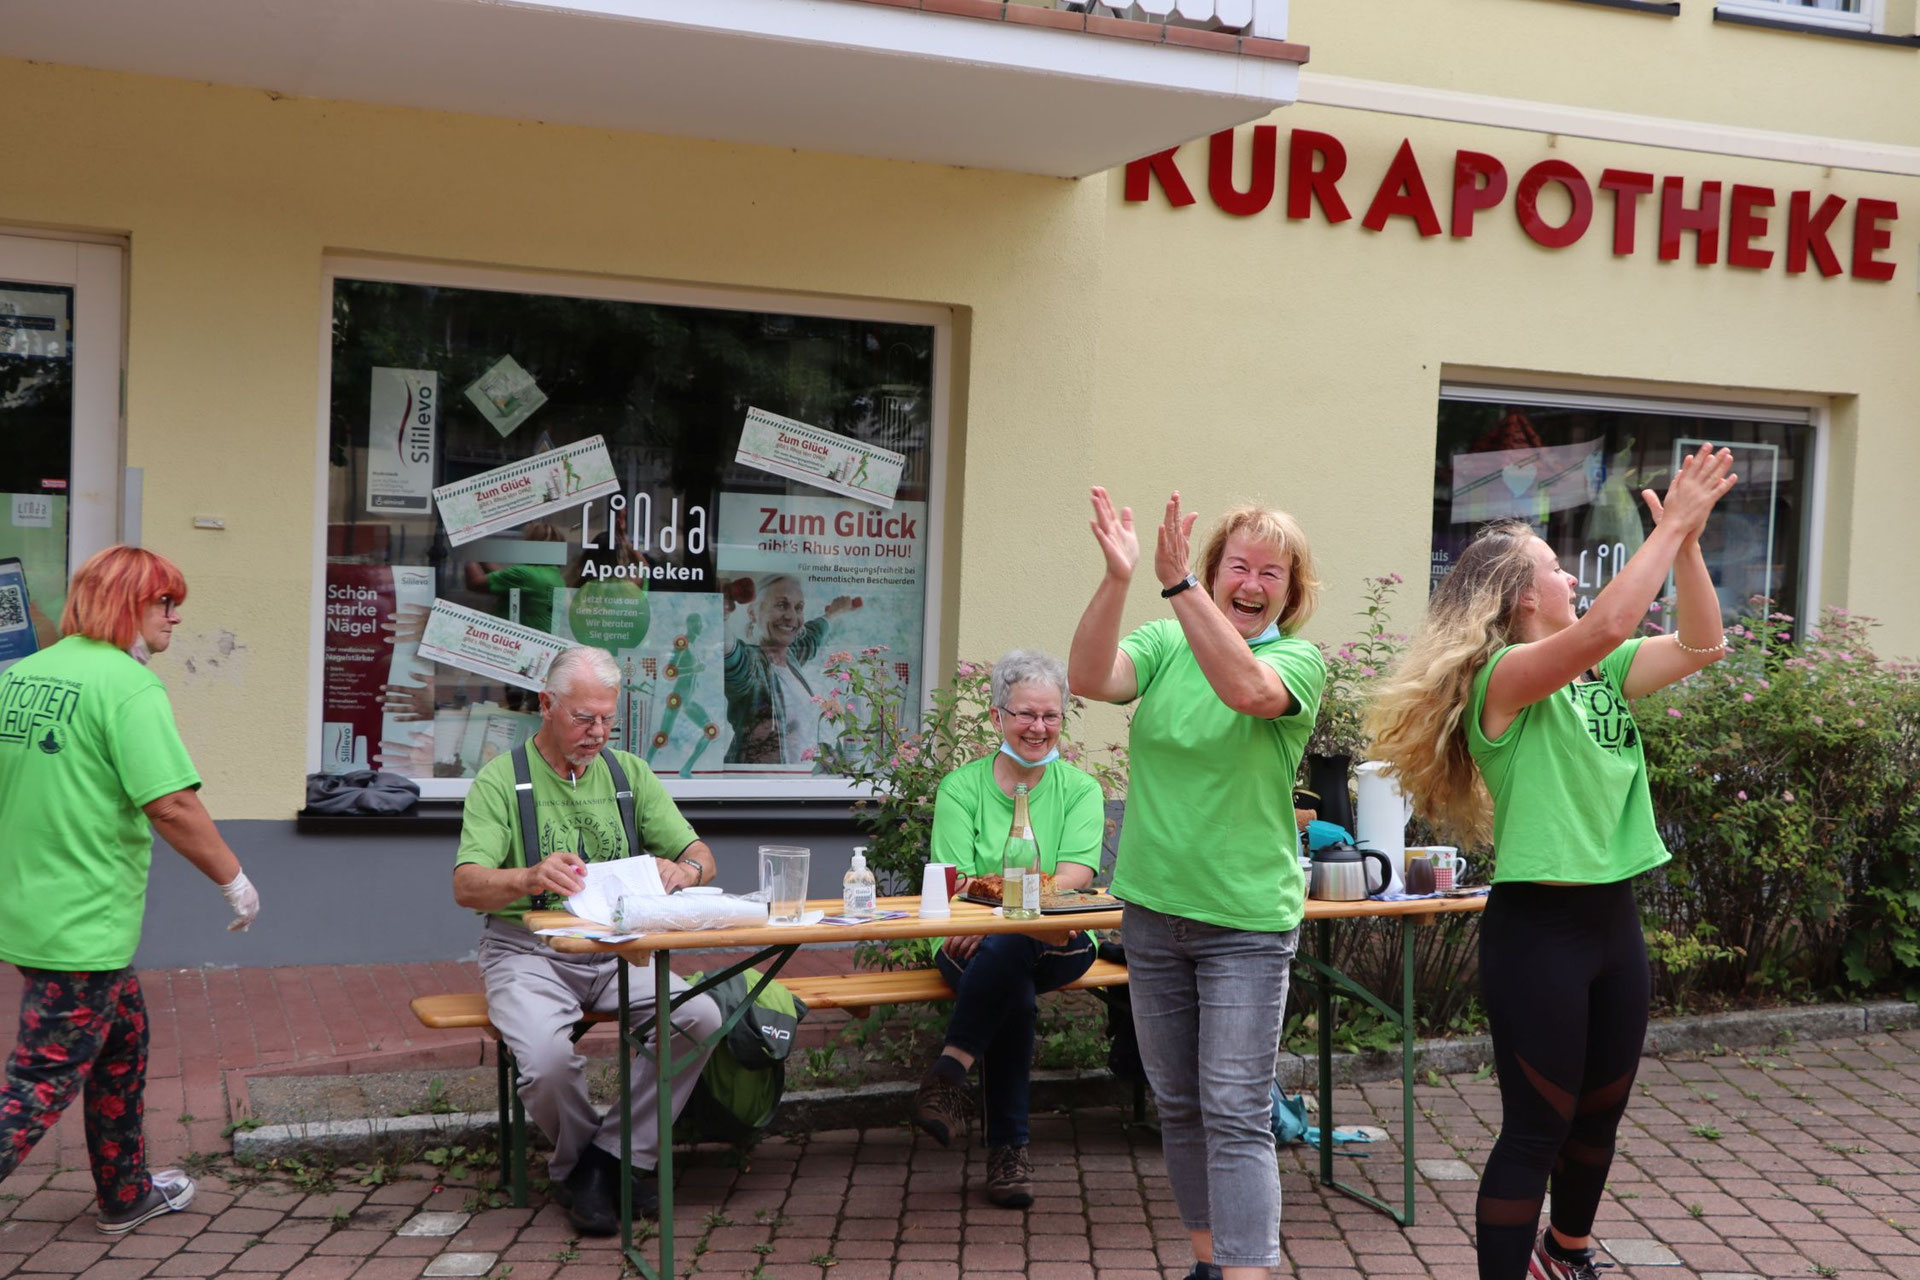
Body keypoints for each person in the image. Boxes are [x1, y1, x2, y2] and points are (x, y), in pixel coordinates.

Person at [1365, 445, 1738, 1280]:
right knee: (1538, 1127)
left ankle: (1566, 1255)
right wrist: (1669, 521)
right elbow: (1607, 621)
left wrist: (1686, 546)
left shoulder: (1594, 671)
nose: (1572, 578)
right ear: (1522, 596)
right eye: (1556, 569)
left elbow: (1704, 647)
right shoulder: (1503, 680)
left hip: (1614, 919)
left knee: (1600, 1117)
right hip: (1540, 931)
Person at [1068, 490, 1325, 1280]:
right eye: (1237, 566)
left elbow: (1245, 693)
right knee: (1177, 1105)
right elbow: (1087, 676)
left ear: (1290, 590)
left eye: (1270, 572)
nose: (1252, 582)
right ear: (1215, 574)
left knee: (1237, 1110)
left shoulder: (1296, 661)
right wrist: (1119, 579)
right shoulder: (1162, 641)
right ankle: (1210, 1265)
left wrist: (1181, 590)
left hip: (1245, 922)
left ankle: (1247, 1274)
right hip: (1152, 911)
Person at [0, 545, 261, 1233]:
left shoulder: (23, 674)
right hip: (83, 919)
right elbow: (170, 804)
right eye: (163, 602)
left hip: (29, 907)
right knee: (37, 1082)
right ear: (125, 604)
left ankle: (125, 1191)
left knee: (122, 1040)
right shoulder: (128, 686)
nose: (176, 616)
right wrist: (234, 880)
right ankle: (123, 1189)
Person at [452, 645, 724, 1236]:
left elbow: (700, 854)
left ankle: (609, 1162)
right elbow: (466, 886)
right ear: (547, 706)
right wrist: (526, 877)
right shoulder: (502, 780)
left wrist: (687, 873)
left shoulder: (630, 774)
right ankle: (593, 1168)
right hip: (527, 952)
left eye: (608, 718)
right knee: (547, 1062)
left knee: (700, 1016)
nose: (598, 732)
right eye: (584, 718)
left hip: (616, 949)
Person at [910, 650, 1105, 1208]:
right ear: (998, 717)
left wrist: (996, 901)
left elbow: (1074, 877)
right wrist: (1002, 903)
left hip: (1061, 942)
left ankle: (949, 1074)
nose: (1038, 728)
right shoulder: (961, 788)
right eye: (1025, 714)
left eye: (1050, 716)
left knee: (1013, 944)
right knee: (1013, 989)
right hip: (963, 939)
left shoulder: (1081, 790)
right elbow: (953, 879)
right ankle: (1008, 1156)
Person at [720, 573, 857, 765]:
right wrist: (719, 612)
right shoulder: (750, 663)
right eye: (781, 605)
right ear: (753, 613)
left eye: (798, 608)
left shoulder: (791, 657)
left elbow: (812, 636)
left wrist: (832, 614)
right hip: (761, 787)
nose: (791, 616)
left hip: (799, 785)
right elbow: (729, 653)